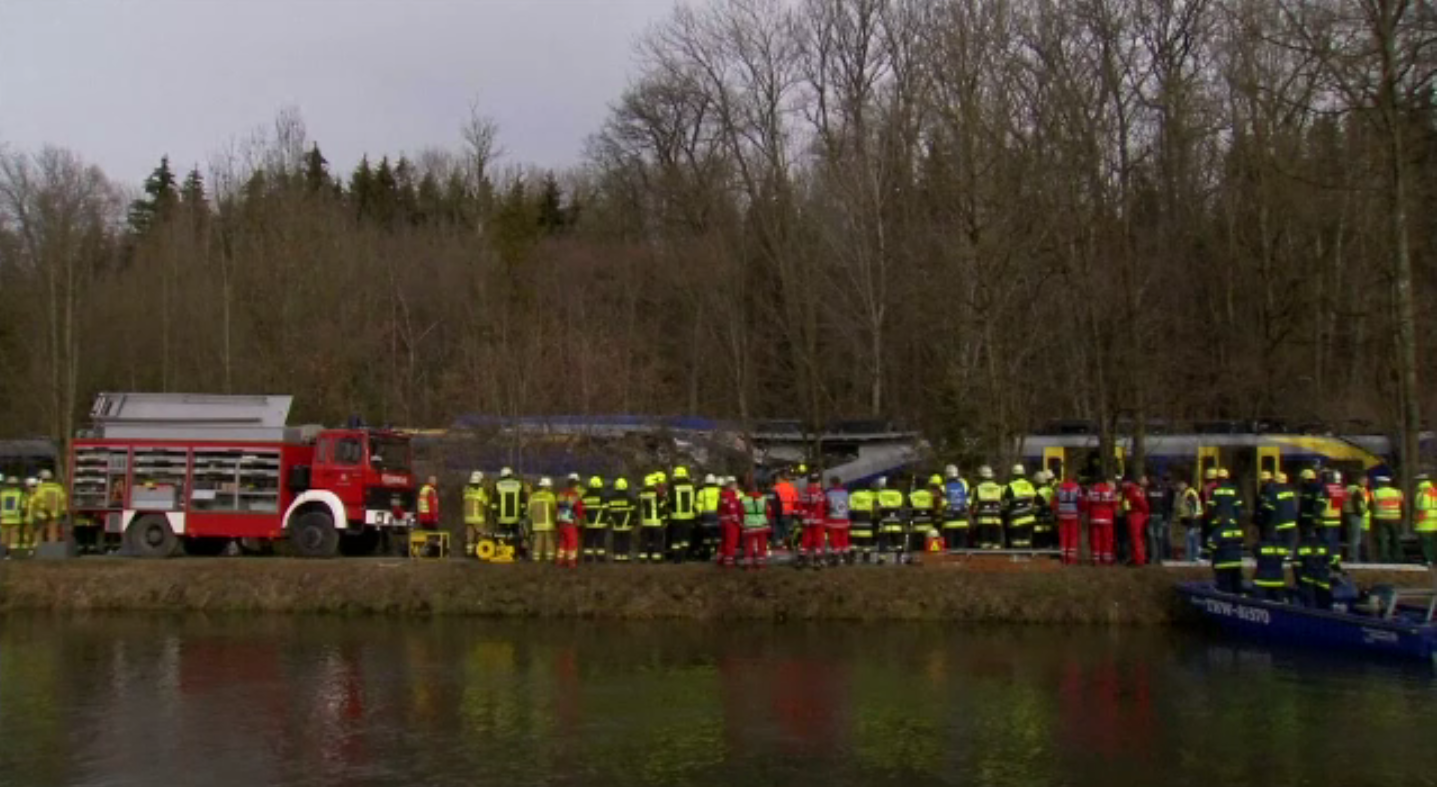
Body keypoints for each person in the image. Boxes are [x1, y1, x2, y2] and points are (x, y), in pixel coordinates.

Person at [1208, 486, 1245, 594]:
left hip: (1222, 563)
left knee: (1225, 587)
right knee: (1237, 584)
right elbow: (1242, 545)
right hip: (1236, 563)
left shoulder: (1218, 531)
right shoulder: (1238, 531)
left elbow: (1211, 545)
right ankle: (1240, 597)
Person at [1296, 530, 1336, 608]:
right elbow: (1331, 561)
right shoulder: (1324, 543)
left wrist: (1299, 580)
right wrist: (1339, 570)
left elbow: (1297, 565)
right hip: (1322, 580)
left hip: (1308, 579)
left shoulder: (1301, 544)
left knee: (1310, 604)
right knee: (1324, 605)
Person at [1086, 475, 1119, 565]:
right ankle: (1106, 559)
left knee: (1095, 539)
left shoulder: (1091, 490)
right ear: (1105, 482)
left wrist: (1090, 514)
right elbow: (1114, 504)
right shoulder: (1110, 490)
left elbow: (1087, 504)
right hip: (1107, 518)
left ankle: (1096, 559)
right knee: (1107, 539)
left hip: (1094, 517)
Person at [1003, 465, 1037, 550]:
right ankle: (1026, 555)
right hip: (1029, 518)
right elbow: (1034, 500)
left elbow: (1006, 503)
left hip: (1017, 519)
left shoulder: (1011, 486)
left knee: (1016, 542)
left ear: (1014, 474)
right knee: (1027, 541)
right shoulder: (1029, 484)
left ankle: (1017, 556)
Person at [667, 467, 697, 563]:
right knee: (686, 538)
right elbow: (695, 499)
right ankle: (684, 556)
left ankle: (676, 558)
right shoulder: (691, 485)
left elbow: (670, 499)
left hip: (676, 516)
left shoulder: (673, 485)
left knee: (676, 538)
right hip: (688, 515)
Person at [1371, 475, 1404, 563]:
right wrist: (1401, 517)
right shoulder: (1398, 492)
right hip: (1395, 518)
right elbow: (1402, 506)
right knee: (1395, 538)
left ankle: (1384, 557)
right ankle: (1398, 557)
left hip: (1381, 518)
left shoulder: (1375, 493)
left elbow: (1372, 506)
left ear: (1380, 483)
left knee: (1383, 539)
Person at [798, 471, 827, 569]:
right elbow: (823, 505)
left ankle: (801, 560)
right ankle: (817, 561)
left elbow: (800, 506)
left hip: (807, 520)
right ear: (817, 481)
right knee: (818, 540)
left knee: (805, 540)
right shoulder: (820, 493)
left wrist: (803, 516)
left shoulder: (804, 492)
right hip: (818, 520)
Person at [30, 469, 67, 545]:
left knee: (39, 532)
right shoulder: (58, 488)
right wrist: (63, 511)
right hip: (54, 515)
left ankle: (38, 548)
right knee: (53, 533)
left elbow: (35, 501)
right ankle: (51, 549)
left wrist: (38, 512)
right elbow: (63, 500)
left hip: (41, 515)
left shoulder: (39, 488)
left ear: (42, 479)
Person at [1054, 470, 1084, 564]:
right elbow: (1080, 501)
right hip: (1073, 514)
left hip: (1062, 514)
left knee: (1063, 536)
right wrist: (1080, 511)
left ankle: (1063, 557)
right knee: (1073, 536)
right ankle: (1071, 558)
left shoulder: (1059, 487)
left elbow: (1055, 500)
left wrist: (1056, 511)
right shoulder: (1077, 488)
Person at [741, 479, 772, 569]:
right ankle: (760, 564)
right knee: (761, 545)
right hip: (762, 524)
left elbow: (740, 512)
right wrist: (767, 519)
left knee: (748, 545)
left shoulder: (743, 499)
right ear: (756, 489)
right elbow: (768, 511)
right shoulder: (763, 498)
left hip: (749, 524)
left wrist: (742, 522)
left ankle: (748, 564)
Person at [905, 477, 937, 564]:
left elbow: (908, 513)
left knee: (915, 545)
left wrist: (907, 524)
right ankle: (928, 560)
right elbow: (934, 511)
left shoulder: (911, 496)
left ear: (916, 485)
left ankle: (915, 559)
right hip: (928, 526)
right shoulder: (930, 495)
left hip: (916, 526)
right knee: (927, 545)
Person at [972, 466, 1005, 550]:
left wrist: (974, 517)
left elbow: (974, 505)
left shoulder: (978, 488)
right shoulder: (998, 487)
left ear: (981, 476)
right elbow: (1003, 503)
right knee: (996, 546)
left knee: (985, 546)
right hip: (996, 519)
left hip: (983, 520)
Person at [555, 474, 585, 568]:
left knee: (562, 542)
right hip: (570, 522)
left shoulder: (561, 494)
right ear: (576, 484)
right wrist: (580, 519)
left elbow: (557, 507)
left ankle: (559, 560)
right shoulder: (575, 495)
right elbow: (579, 509)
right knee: (572, 541)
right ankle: (571, 561)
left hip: (561, 521)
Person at [493, 467, 526, 547]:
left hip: (502, 517)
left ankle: (503, 550)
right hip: (515, 516)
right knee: (515, 536)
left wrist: (495, 513)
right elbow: (522, 501)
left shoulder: (498, 484)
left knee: (502, 536)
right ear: (510, 474)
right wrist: (522, 513)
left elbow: (494, 502)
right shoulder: (518, 484)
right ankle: (515, 549)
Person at [875, 476, 905, 563]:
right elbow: (901, 506)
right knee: (898, 541)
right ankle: (899, 558)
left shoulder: (881, 494)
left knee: (883, 540)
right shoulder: (899, 494)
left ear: (886, 484)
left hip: (885, 520)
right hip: (896, 521)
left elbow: (877, 507)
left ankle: (882, 558)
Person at [941, 465, 970, 551]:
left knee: (950, 551)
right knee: (962, 549)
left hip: (949, 522)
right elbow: (969, 500)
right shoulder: (964, 484)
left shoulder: (943, 487)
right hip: (963, 521)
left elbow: (943, 503)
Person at [1267, 472, 1299, 551]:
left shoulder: (1273, 492)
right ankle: (1288, 554)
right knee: (1289, 542)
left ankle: (1282, 554)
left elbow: (1270, 509)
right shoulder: (1290, 491)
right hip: (1291, 521)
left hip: (1279, 522)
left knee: (1280, 543)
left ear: (1276, 481)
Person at [528, 477, 557, 563]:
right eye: (549, 486)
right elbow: (554, 509)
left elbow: (529, 510)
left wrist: (531, 520)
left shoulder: (533, 496)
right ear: (546, 486)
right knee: (549, 540)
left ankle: (536, 557)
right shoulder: (550, 496)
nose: (550, 487)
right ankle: (549, 557)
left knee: (537, 540)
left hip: (536, 523)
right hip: (548, 523)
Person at [638, 475, 667, 563]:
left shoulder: (641, 493)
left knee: (644, 540)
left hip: (645, 521)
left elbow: (639, 506)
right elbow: (662, 506)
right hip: (656, 521)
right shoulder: (656, 493)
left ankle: (643, 557)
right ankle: (656, 558)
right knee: (657, 540)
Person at [1123, 476, 1150, 566]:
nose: (1122, 485)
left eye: (1124, 483)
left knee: (1136, 538)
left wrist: (1144, 513)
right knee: (1134, 538)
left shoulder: (1134, 490)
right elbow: (1127, 502)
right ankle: (1135, 558)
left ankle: (1139, 560)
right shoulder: (1128, 490)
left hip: (1136, 515)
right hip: (1133, 514)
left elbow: (1142, 503)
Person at [1319, 470, 1347, 555]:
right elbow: (1343, 501)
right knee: (1335, 540)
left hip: (1326, 518)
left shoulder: (1325, 488)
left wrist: (1316, 516)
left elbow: (1320, 503)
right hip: (1337, 518)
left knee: (1326, 540)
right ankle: (1334, 556)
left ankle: (1327, 556)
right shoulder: (1340, 488)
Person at [461, 471, 490, 557]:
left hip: (467, 517)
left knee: (470, 535)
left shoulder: (466, 489)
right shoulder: (480, 490)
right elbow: (485, 502)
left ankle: (469, 551)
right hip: (478, 517)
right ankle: (479, 551)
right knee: (481, 534)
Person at [607, 477, 635, 563]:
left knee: (616, 540)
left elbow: (607, 512)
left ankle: (617, 556)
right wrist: (633, 521)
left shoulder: (611, 499)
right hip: (626, 524)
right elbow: (634, 512)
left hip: (615, 524)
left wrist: (610, 521)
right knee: (625, 540)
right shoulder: (630, 499)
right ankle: (625, 556)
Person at [824, 475, 850, 566]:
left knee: (834, 539)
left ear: (832, 483)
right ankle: (846, 557)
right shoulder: (845, 493)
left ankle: (835, 558)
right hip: (844, 519)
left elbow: (826, 506)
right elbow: (848, 505)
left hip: (833, 520)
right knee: (844, 538)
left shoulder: (829, 494)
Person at [717, 476, 743, 568]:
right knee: (731, 542)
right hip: (731, 524)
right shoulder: (731, 497)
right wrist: (739, 523)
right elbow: (733, 512)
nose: (737, 487)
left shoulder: (722, 496)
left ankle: (720, 559)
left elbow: (719, 510)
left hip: (723, 522)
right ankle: (729, 561)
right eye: (735, 486)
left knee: (723, 542)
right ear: (731, 486)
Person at [581, 476, 608, 563]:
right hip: (600, 523)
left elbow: (582, 510)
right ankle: (601, 558)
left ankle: (587, 558)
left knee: (588, 541)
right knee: (600, 541)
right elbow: (606, 511)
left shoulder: (585, 496)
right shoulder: (602, 496)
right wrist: (606, 520)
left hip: (588, 524)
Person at [848, 481, 876, 563]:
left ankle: (852, 557)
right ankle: (866, 558)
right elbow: (874, 506)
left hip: (855, 518)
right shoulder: (869, 495)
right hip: (866, 518)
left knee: (854, 540)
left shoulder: (853, 495)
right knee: (866, 540)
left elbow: (850, 506)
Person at [1343, 474, 1369, 563]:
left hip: (1347, 513)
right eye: (1364, 481)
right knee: (1356, 538)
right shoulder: (1357, 490)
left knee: (1351, 537)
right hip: (1355, 514)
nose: (1366, 483)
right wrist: (1362, 512)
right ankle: (1355, 558)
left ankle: (1350, 556)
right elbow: (1358, 503)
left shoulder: (1347, 489)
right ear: (1359, 480)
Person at [1146, 474, 1172, 562]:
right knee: (1159, 537)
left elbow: (1147, 504)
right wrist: (1165, 517)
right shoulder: (1163, 491)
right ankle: (1160, 557)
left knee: (1152, 537)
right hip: (1159, 516)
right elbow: (1166, 505)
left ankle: (1154, 557)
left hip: (1152, 516)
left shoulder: (1148, 491)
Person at [773, 470, 799, 553]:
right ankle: (789, 545)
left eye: (776, 479)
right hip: (788, 511)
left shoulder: (775, 488)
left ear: (780, 478)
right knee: (787, 529)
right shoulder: (792, 487)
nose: (775, 480)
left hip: (778, 511)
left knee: (777, 529)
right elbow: (795, 500)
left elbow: (773, 501)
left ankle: (778, 545)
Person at [697, 473, 722, 561]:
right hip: (717, 515)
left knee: (706, 537)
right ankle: (717, 554)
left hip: (706, 516)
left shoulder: (702, 492)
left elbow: (699, 504)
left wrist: (699, 515)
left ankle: (707, 555)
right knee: (717, 537)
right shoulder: (719, 491)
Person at [1176, 479, 1202, 561]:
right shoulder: (1187, 493)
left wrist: (1193, 516)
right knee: (1193, 538)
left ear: (1185, 485)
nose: (1179, 487)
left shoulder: (1189, 493)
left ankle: (1191, 556)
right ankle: (1193, 556)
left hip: (1192, 520)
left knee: (1190, 538)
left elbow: (1193, 505)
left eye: (1180, 485)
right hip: (1192, 519)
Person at [1415, 473, 1436, 565]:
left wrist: (1417, 519)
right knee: (1434, 541)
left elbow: (1419, 507)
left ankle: (1428, 559)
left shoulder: (1421, 493)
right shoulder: (1435, 491)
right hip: (1435, 519)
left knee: (1426, 541)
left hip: (1425, 519)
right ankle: (1434, 559)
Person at [1296, 468, 1323, 542]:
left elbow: (1320, 504)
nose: (1301, 480)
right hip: (1304, 520)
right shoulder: (1304, 489)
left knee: (1310, 540)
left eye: (1302, 479)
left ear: (1306, 479)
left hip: (1311, 521)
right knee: (1304, 540)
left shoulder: (1316, 488)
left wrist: (1316, 518)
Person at [1033, 470, 1057, 551]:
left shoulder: (1038, 492)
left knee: (1040, 540)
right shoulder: (1051, 490)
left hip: (1040, 520)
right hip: (1050, 518)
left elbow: (1036, 508)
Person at [0, 476, 24, 553]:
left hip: (4, 519)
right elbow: (23, 507)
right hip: (15, 519)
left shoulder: (2, 494)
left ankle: (3, 554)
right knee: (14, 538)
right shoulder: (20, 494)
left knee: (4, 538)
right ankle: (13, 554)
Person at [1252, 471, 1273, 541]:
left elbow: (1265, 503)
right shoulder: (1264, 488)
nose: (1262, 482)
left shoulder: (1269, 489)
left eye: (1263, 480)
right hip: (1264, 517)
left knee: (1266, 536)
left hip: (1267, 517)